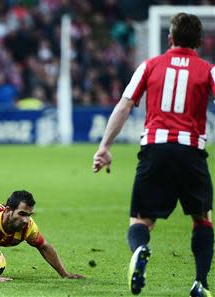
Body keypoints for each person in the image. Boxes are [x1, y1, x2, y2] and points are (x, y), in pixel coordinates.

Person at [93, 13, 214, 297]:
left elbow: (124, 106)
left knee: (141, 222)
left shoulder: (149, 66)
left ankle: (141, 249)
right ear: (199, 41)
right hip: (191, 152)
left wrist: (104, 147)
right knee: (202, 219)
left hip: (155, 150)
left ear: (169, 38)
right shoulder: (207, 70)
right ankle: (200, 283)